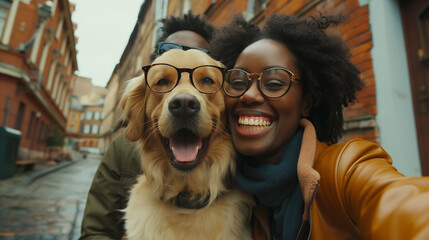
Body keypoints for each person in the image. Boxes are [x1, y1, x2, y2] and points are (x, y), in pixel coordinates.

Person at [210, 14, 429, 239]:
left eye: (274, 83)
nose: (249, 95)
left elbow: (403, 203)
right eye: (237, 82)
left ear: (305, 104)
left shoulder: (345, 170)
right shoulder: (230, 190)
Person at [79, 12, 215, 240]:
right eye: (163, 80)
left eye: (205, 79)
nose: (183, 96)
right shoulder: (123, 147)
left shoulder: (241, 144)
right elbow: (95, 232)